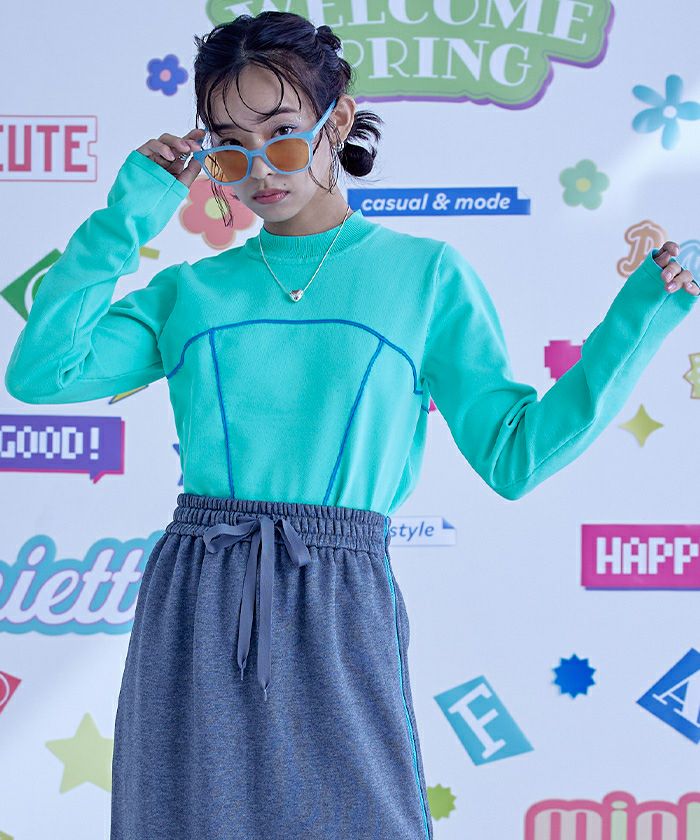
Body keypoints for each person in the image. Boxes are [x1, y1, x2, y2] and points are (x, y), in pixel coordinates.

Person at [4, 10, 699, 840]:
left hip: (338, 593)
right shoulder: (192, 291)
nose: (260, 169)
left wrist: (641, 316)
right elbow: (43, 371)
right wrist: (137, 203)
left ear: (338, 120)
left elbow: (516, 455)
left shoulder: (425, 275)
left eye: (283, 134)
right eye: (230, 148)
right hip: (197, 593)